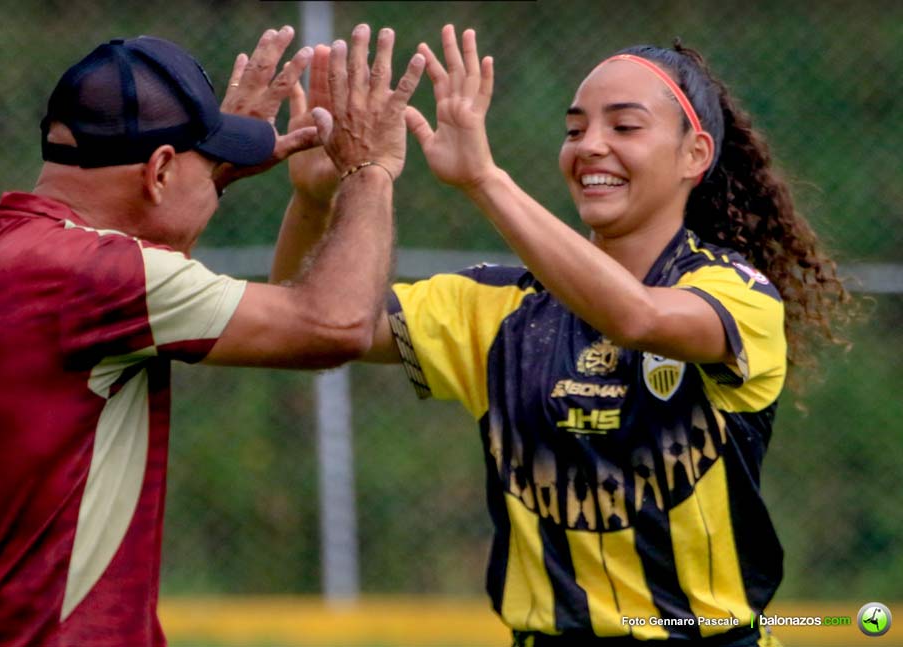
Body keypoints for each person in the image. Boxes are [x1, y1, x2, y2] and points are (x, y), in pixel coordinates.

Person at [280, 25, 850, 647]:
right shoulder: (495, 309)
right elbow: (302, 324)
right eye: (576, 130)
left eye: (624, 127)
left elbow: (635, 318)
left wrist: (484, 180)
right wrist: (316, 198)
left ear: (695, 155)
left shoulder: (737, 295)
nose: (591, 147)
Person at [0, 25, 424, 647]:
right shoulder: (96, 276)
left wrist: (207, 174)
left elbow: (148, 264)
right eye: (208, 163)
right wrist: (368, 171)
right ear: (157, 170)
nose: (218, 176)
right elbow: (334, 325)